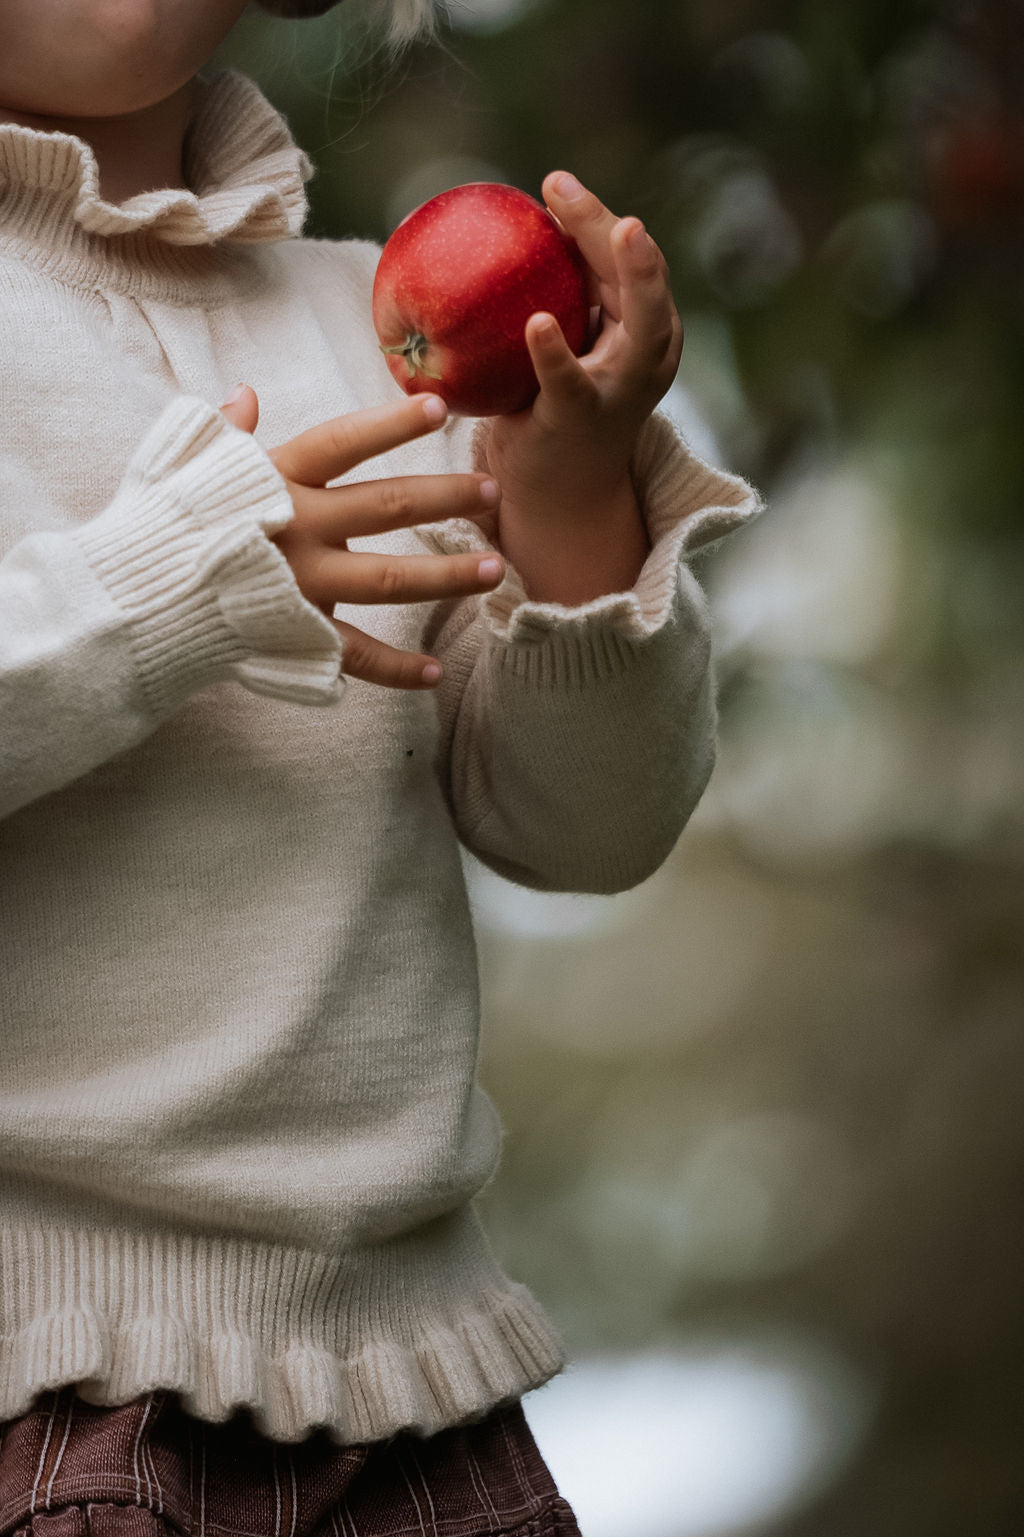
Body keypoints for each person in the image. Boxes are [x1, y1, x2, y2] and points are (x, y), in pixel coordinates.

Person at [0, 0, 760, 1533]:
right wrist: (183, 573)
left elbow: (587, 826)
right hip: (43, 1388)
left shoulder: (384, 326)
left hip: (422, 1396)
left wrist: (567, 505)